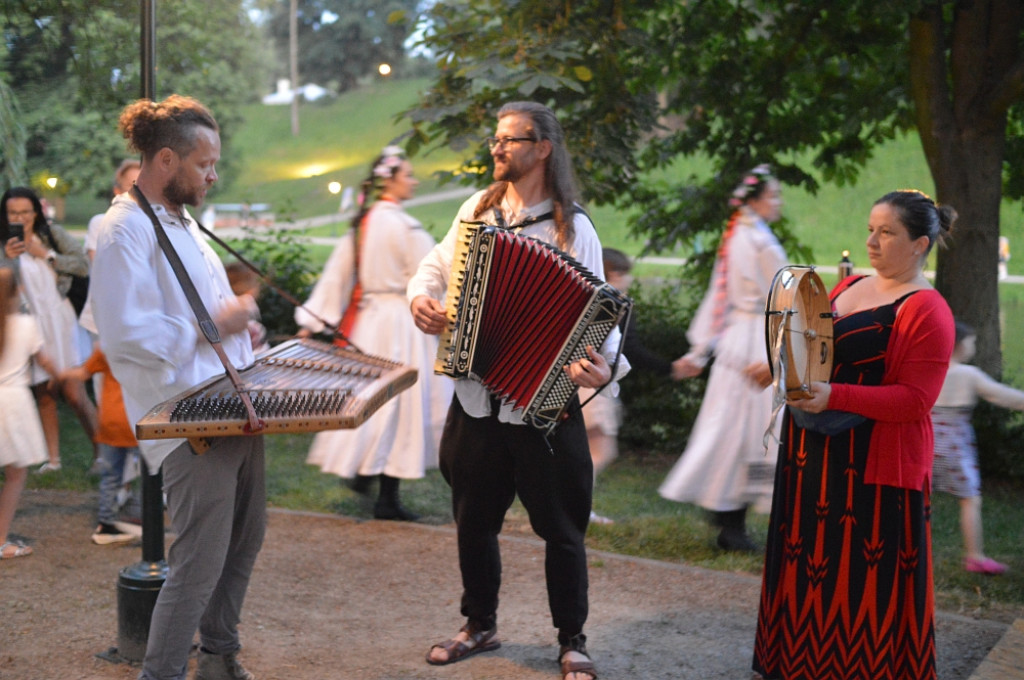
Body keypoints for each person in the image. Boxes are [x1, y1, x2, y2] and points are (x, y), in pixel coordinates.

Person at [409, 101, 626, 680]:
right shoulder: (476, 210)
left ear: (543, 148)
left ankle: (571, 639)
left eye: (511, 139)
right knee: (473, 519)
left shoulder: (573, 227)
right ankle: (479, 623)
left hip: (544, 403)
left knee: (561, 527)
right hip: (478, 396)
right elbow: (434, 266)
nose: (498, 148)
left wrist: (601, 369)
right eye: (495, 140)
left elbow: (597, 309)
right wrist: (421, 300)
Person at [91, 94, 264, 680]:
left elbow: (205, 317)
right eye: (205, 164)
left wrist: (243, 334)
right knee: (197, 564)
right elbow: (126, 335)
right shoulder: (124, 230)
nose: (213, 175)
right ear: (167, 159)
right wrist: (220, 323)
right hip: (187, 419)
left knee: (242, 544)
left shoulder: (179, 222)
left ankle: (218, 660)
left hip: (228, 404)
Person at [752, 189, 956, 680]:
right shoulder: (850, 288)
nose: (872, 241)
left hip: (872, 468)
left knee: (862, 579)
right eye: (871, 228)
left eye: (888, 233)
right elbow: (819, 349)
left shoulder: (928, 310)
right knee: (805, 565)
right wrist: (781, 365)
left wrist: (836, 396)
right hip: (813, 456)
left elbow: (915, 401)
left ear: (920, 244)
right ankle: (796, 664)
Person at [296, 146, 452, 521]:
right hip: (403, 321)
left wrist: (312, 321)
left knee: (370, 400)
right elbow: (435, 280)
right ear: (391, 181)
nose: (414, 181)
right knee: (400, 405)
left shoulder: (362, 225)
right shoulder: (405, 226)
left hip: (370, 323)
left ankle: (367, 475)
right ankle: (386, 494)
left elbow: (337, 275)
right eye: (409, 175)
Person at [658, 164, 787, 552]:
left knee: (730, 431)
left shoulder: (736, 236)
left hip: (735, 341)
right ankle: (733, 518)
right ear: (756, 200)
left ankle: (727, 510)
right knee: (753, 436)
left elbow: (719, 294)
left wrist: (704, 346)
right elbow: (784, 299)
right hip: (757, 345)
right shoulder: (761, 242)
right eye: (774, 195)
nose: (779, 203)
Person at [1, 186, 97, 472]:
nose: (20, 218)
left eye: (25, 212)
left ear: (36, 212)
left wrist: (47, 254)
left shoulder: (52, 234)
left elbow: (82, 265)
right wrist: (7, 258)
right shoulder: (4, 243)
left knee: (74, 392)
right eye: (13, 213)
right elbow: (5, 286)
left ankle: (102, 450)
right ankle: (53, 460)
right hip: (31, 322)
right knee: (44, 393)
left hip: (60, 319)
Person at [580, 247, 672, 525]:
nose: (628, 280)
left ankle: (572, 506)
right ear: (614, 274)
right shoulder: (612, 302)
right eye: (624, 274)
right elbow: (627, 348)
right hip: (595, 384)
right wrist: (669, 368)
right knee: (601, 450)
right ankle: (580, 509)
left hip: (585, 380)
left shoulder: (589, 296)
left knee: (587, 451)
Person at [932, 321, 1020, 575]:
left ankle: (910, 550)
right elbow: (1001, 395)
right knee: (970, 500)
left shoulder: (930, 370)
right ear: (959, 345)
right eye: (972, 342)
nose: (974, 346)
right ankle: (975, 556)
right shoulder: (967, 374)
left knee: (919, 500)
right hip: (955, 450)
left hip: (925, 445)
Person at [0, 268, 59, 559]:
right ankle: (0, 540)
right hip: (13, 402)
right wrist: (63, 373)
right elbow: (45, 361)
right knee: (15, 473)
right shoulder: (25, 324)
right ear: (16, 292)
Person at [59, 345, 143, 545]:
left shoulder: (106, 347)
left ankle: (107, 522)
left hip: (111, 422)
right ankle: (139, 517)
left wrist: (59, 372)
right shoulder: (144, 344)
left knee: (110, 477)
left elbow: (83, 373)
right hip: (137, 421)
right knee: (146, 476)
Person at [86, 159, 142, 262]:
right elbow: (97, 265)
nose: (138, 191)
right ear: (117, 191)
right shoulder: (101, 223)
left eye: (142, 185)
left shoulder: (157, 225)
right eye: (131, 185)